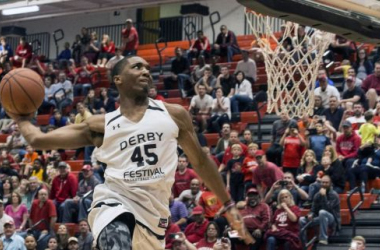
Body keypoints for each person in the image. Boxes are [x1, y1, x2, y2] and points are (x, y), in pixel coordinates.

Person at [9, 56, 248, 249]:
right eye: (137, 67)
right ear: (118, 80)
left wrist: (228, 205)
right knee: (116, 231)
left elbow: (202, 162)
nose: (145, 71)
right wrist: (20, 116)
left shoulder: (174, 114)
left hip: (154, 217)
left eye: (147, 67)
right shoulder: (101, 124)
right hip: (114, 201)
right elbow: (38, 139)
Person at [299, 175, 341, 245]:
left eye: (326, 182)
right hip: (320, 218)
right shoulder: (317, 195)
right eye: (323, 182)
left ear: (330, 184)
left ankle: (323, 239)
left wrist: (324, 196)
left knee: (322, 212)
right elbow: (313, 209)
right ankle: (304, 243)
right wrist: (311, 214)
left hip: (332, 219)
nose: (324, 184)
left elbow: (328, 209)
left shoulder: (334, 195)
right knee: (301, 220)